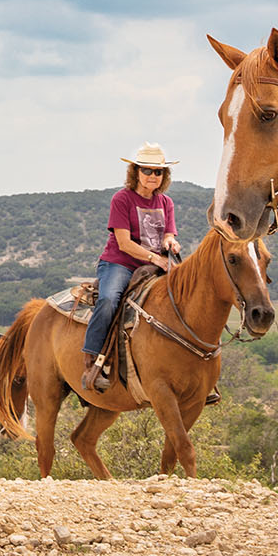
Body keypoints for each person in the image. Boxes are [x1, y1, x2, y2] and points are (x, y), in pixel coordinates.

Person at [81, 143, 181, 392]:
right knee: (108, 300)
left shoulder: (165, 202)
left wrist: (170, 241)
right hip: (120, 263)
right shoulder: (122, 199)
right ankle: (93, 362)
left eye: (158, 172)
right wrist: (155, 258)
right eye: (147, 170)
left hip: (154, 264)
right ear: (135, 171)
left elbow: (168, 233)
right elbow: (124, 243)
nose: (152, 176)